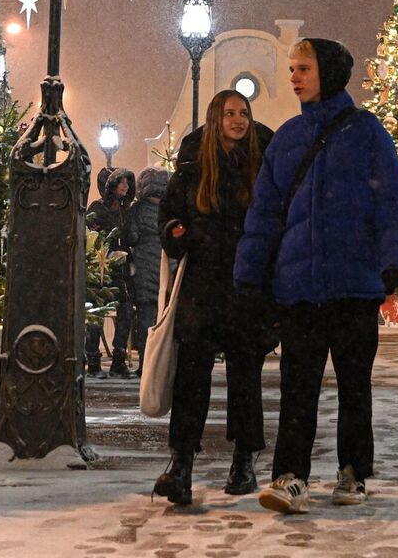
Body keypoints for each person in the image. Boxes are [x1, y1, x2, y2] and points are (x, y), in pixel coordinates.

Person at [235, 38, 398, 514]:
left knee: (355, 386)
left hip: (354, 285)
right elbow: (265, 213)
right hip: (299, 289)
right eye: (292, 69)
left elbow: (393, 203)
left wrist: (394, 260)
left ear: (329, 73)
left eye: (303, 69)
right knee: (297, 388)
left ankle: (353, 472)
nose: (294, 77)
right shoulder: (288, 138)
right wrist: (250, 273)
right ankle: (290, 477)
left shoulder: (366, 133)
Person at [152, 91, 276, 506]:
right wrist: (175, 230)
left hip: (246, 286)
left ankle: (244, 461)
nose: (238, 121)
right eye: (230, 114)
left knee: (245, 379)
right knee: (192, 377)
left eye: (243, 113)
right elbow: (168, 211)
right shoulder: (192, 162)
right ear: (215, 118)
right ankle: (181, 463)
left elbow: (275, 216)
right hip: (203, 285)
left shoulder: (262, 161)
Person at [86, 168, 138, 378]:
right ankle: (93, 361)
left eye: (127, 182)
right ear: (111, 186)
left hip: (123, 270)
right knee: (97, 314)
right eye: (121, 183)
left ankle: (119, 360)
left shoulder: (126, 211)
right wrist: (106, 252)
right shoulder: (98, 208)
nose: (125, 186)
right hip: (103, 270)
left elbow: (130, 237)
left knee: (126, 311)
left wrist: (127, 252)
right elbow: (90, 236)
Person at [128, 167, 172, 366]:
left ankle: (145, 363)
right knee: (167, 318)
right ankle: (163, 363)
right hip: (166, 267)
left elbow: (131, 236)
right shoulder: (170, 208)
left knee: (146, 317)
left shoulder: (137, 209)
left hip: (144, 268)